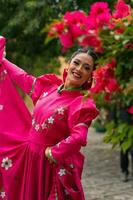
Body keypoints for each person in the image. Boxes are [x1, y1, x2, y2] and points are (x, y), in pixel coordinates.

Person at [0, 36, 99, 200]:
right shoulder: (49, 88)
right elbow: (23, 77)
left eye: (86, 68)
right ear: (69, 63)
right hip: (29, 158)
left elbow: (78, 137)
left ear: (89, 76)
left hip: (48, 166)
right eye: (77, 63)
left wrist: (53, 153)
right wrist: (3, 61)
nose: (79, 69)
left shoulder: (81, 103)